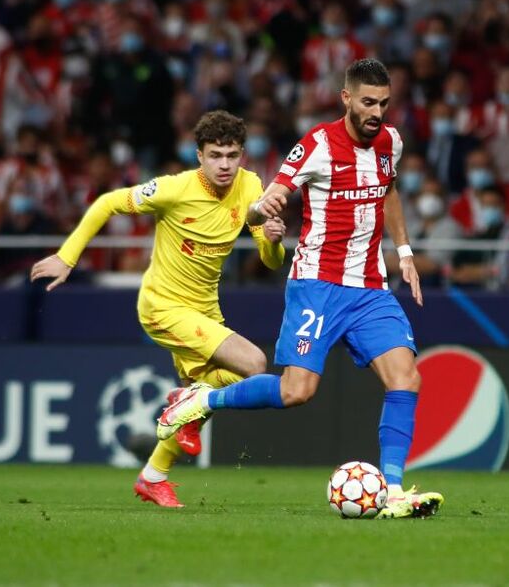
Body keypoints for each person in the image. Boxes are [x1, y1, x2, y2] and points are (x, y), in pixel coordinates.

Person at [156, 59, 443, 519]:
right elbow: (263, 204)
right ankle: (200, 398)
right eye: (368, 102)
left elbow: (388, 191)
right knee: (296, 391)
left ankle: (391, 491)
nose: (377, 112)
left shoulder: (391, 141)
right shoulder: (318, 144)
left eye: (384, 103)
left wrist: (405, 252)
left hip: (370, 286)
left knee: (406, 378)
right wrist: (263, 208)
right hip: (317, 285)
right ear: (346, 98)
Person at [29, 110, 286, 508]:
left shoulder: (251, 186)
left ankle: (152, 477)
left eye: (232, 155)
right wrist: (67, 257)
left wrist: (272, 240)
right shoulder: (174, 189)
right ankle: (182, 407)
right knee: (253, 364)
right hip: (163, 307)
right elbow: (107, 203)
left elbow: (271, 262)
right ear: (198, 155)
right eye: (215, 154)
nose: (224, 164)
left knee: (200, 404)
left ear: (242, 156)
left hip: (204, 311)